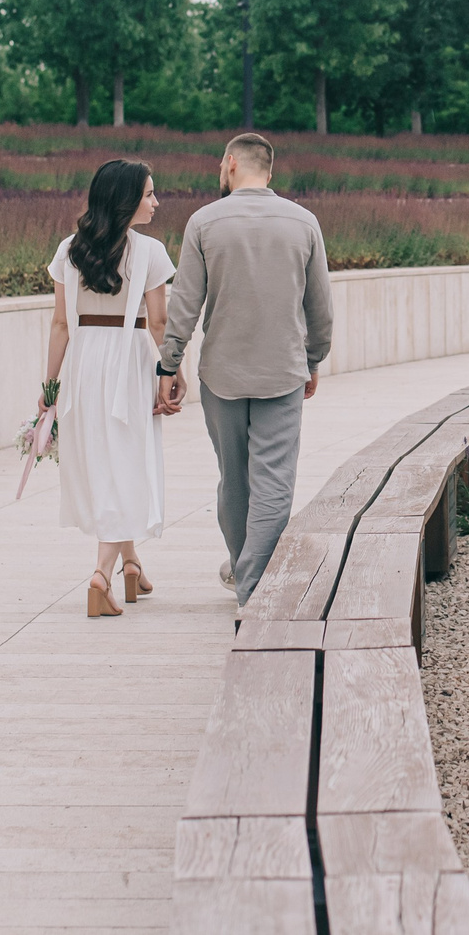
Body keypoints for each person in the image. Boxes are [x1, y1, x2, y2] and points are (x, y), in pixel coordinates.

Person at [156, 132, 333, 608]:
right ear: (269, 171)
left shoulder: (204, 222)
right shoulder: (304, 222)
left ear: (230, 163)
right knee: (274, 480)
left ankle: (245, 577)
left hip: (223, 374)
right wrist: (314, 358)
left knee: (234, 479)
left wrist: (169, 363)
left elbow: (186, 303)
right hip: (282, 371)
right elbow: (320, 307)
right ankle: (251, 580)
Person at [42, 159, 177, 618]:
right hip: (130, 359)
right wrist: (170, 373)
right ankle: (101, 575)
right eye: (148, 195)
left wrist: (49, 385)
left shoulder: (68, 250)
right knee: (127, 461)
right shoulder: (150, 252)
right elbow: (158, 321)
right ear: (125, 201)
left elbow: (61, 323)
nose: (156, 202)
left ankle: (132, 564)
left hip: (84, 362)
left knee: (107, 459)